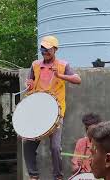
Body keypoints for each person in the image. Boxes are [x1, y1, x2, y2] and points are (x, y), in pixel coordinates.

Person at [24, 35, 81, 180]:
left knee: (55, 147)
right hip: (38, 110)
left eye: (48, 49)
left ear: (55, 49)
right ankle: (33, 175)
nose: (44, 51)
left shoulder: (63, 65)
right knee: (28, 144)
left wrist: (60, 75)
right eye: (42, 48)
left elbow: (77, 79)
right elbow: (30, 81)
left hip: (56, 111)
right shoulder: (35, 64)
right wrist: (29, 85)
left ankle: (58, 176)